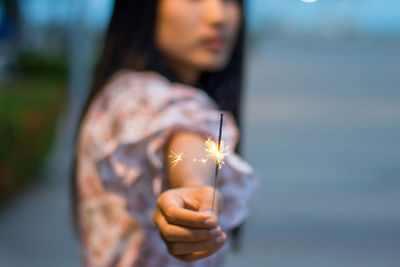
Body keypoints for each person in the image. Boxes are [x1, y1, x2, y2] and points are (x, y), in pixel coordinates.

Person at [71, 0, 257, 266]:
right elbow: (181, 132)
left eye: (230, 0)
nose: (218, 16)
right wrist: (193, 187)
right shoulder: (135, 97)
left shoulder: (120, 93)